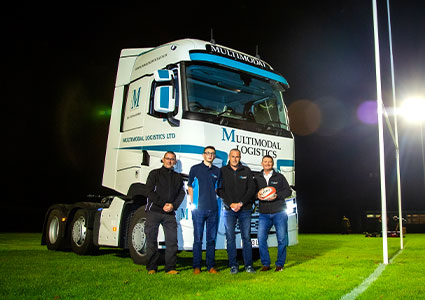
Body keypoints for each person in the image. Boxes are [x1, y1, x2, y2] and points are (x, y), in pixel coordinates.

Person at [145, 151, 185, 275]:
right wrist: (163, 204)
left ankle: (170, 268)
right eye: (167, 158)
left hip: (170, 213)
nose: (169, 161)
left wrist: (173, 205)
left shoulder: (178, 177)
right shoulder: (154, 174)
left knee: (172, 240)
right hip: (154, 211)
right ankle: (152, 267)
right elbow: (149, 191)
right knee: (151, 239)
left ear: (175, 162)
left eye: (172, 159)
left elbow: (181, 193)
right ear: (163, 159)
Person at [218, 148, 256, 274]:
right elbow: (220, 189)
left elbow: (251, 189)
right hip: (229, 210)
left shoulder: (246, 170)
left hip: (245, 209)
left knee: (246, 238)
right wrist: (231, 203)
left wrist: (240, 203)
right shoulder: (222, 171)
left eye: (237, 156)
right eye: (233, 156)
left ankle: (248, 266)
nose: (235, 159)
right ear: (229, 157)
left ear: (240, 158)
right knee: (230, 238)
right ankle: (233, 266)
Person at [255, 155, 292, 272]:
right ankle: (266, 264)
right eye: (265, 162)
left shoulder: (279, 177)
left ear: (272, 164)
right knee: (261, 238)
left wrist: (277, 196)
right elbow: (252, 192)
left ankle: (279, 264)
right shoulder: (257, 178)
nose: (267, 164)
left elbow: (288, 191)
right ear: (262, 163)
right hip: (264, 214)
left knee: (281, 239)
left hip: (279, 212)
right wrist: (257, 195)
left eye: (270, 162)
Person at [188, 146, 221, 274]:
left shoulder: (217, 171)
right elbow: (190, 186)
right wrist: (193, 202)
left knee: (211, 240)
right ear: (203, 155)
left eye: (212, 153)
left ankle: (211, 266)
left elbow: (218, 189)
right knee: (197, 239)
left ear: (214, 156)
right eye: (208, 153)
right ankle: (196, 266)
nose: (210, 155)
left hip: (213, 209)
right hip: (199, 210)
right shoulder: (195, 169)